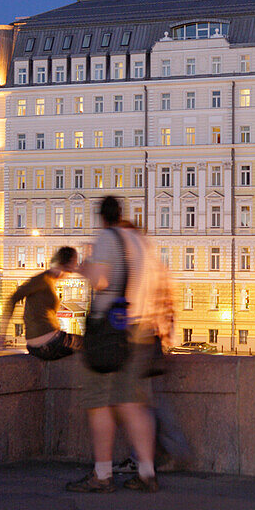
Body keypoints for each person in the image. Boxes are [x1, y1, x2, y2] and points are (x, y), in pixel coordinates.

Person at [68, 196, 172, 494]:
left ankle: (102, 475)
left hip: (109, 331)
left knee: (99, 402)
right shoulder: (140, 242)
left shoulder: (106, 238)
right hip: (140, 328)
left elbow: (101, 281)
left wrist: (84, 269)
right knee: (132, 403)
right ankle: (147, 472)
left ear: (102, 217)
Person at [0, 246, 81, 360]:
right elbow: (13, 299)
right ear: (67, 264)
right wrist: (1, 335)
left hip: (37, 345)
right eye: (73, 264)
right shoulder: (42, 280)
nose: (71, 272)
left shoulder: (49, 280)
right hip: (50, 343)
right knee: (91, 345)